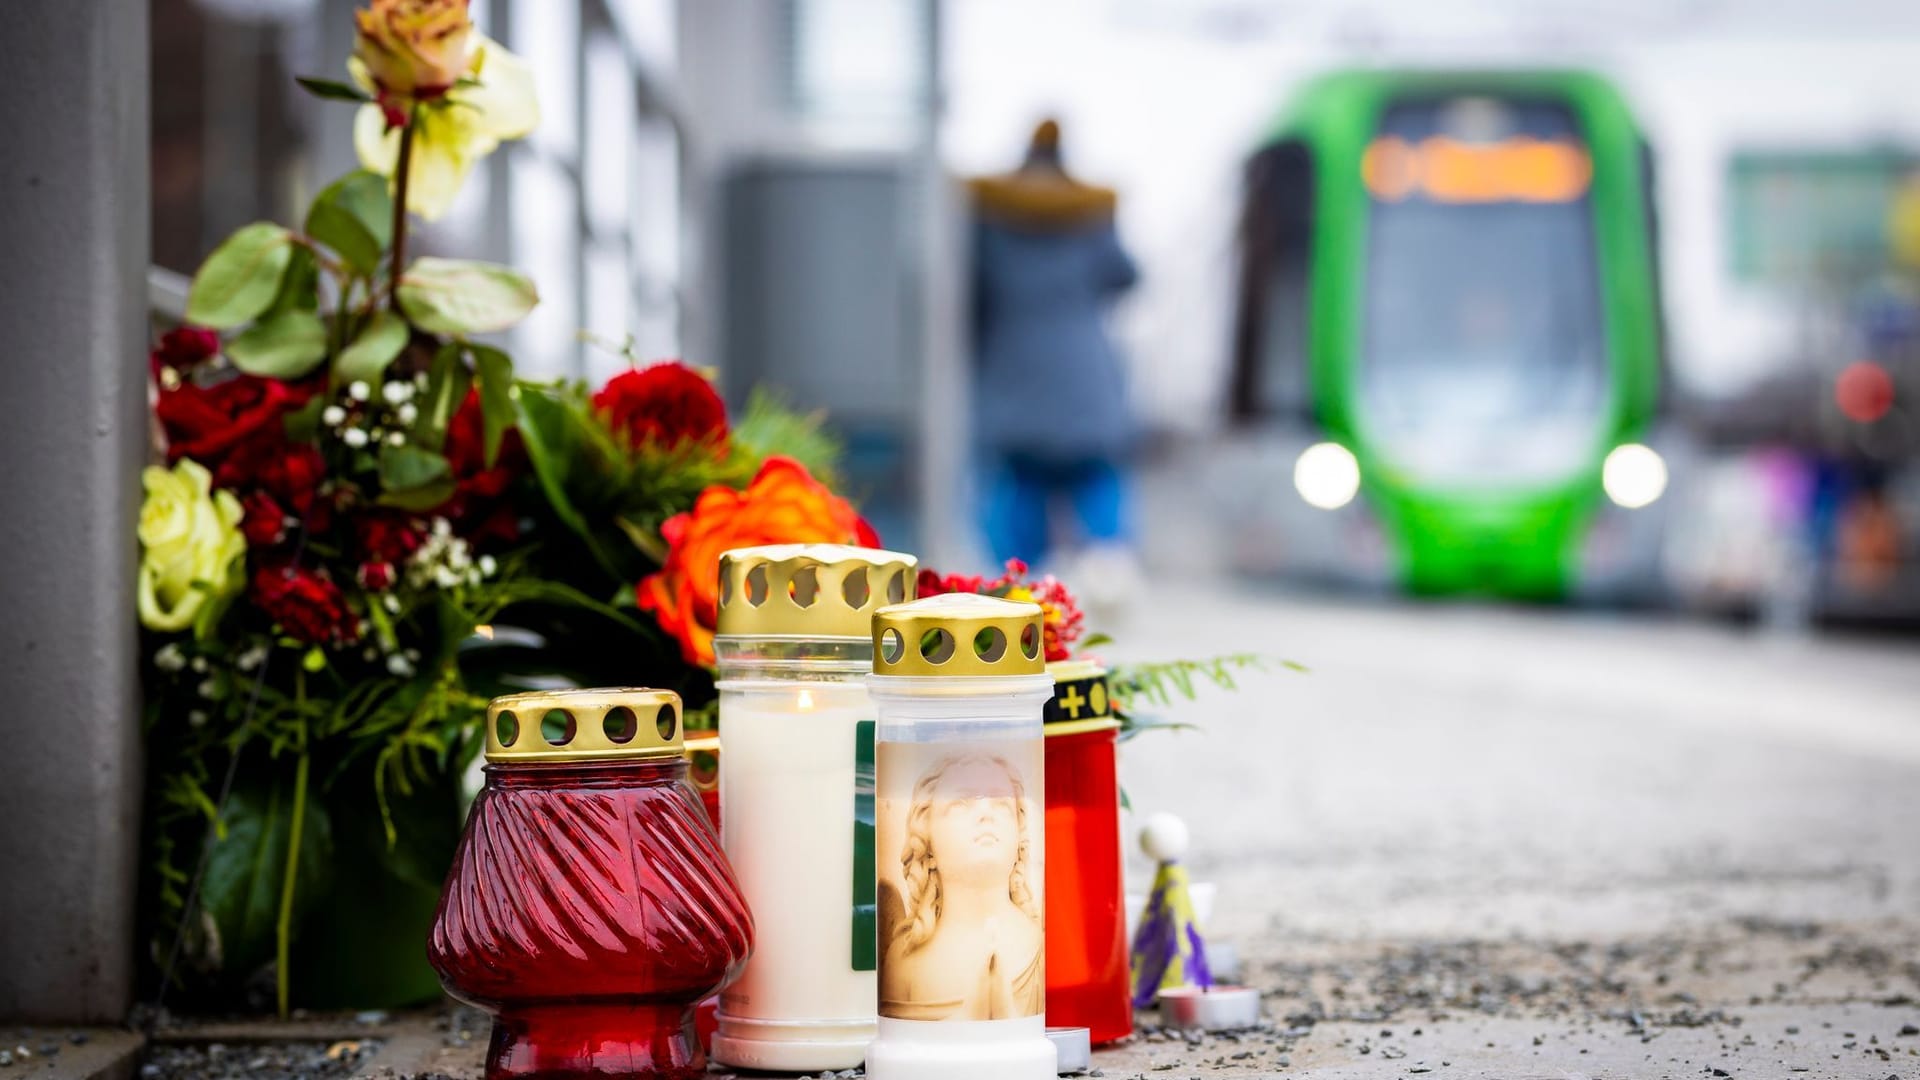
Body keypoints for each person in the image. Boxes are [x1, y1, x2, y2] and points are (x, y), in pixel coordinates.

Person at [969, 119, 1142, 591]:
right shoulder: (1088, 212)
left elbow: (971, 293)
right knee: (1095, 480)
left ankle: (1016, 584)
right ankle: (1111, 569)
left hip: (1012, 372)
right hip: (1085, 375)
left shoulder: (991, 214)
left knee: (1020, 487)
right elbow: (1126, 276)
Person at [880, 754, 1043, 1021]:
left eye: (1001, 804)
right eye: (959, 804)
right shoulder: (906, 961)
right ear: (926, 842)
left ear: (1019, 839)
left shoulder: (1036, 940)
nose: (985, 813)